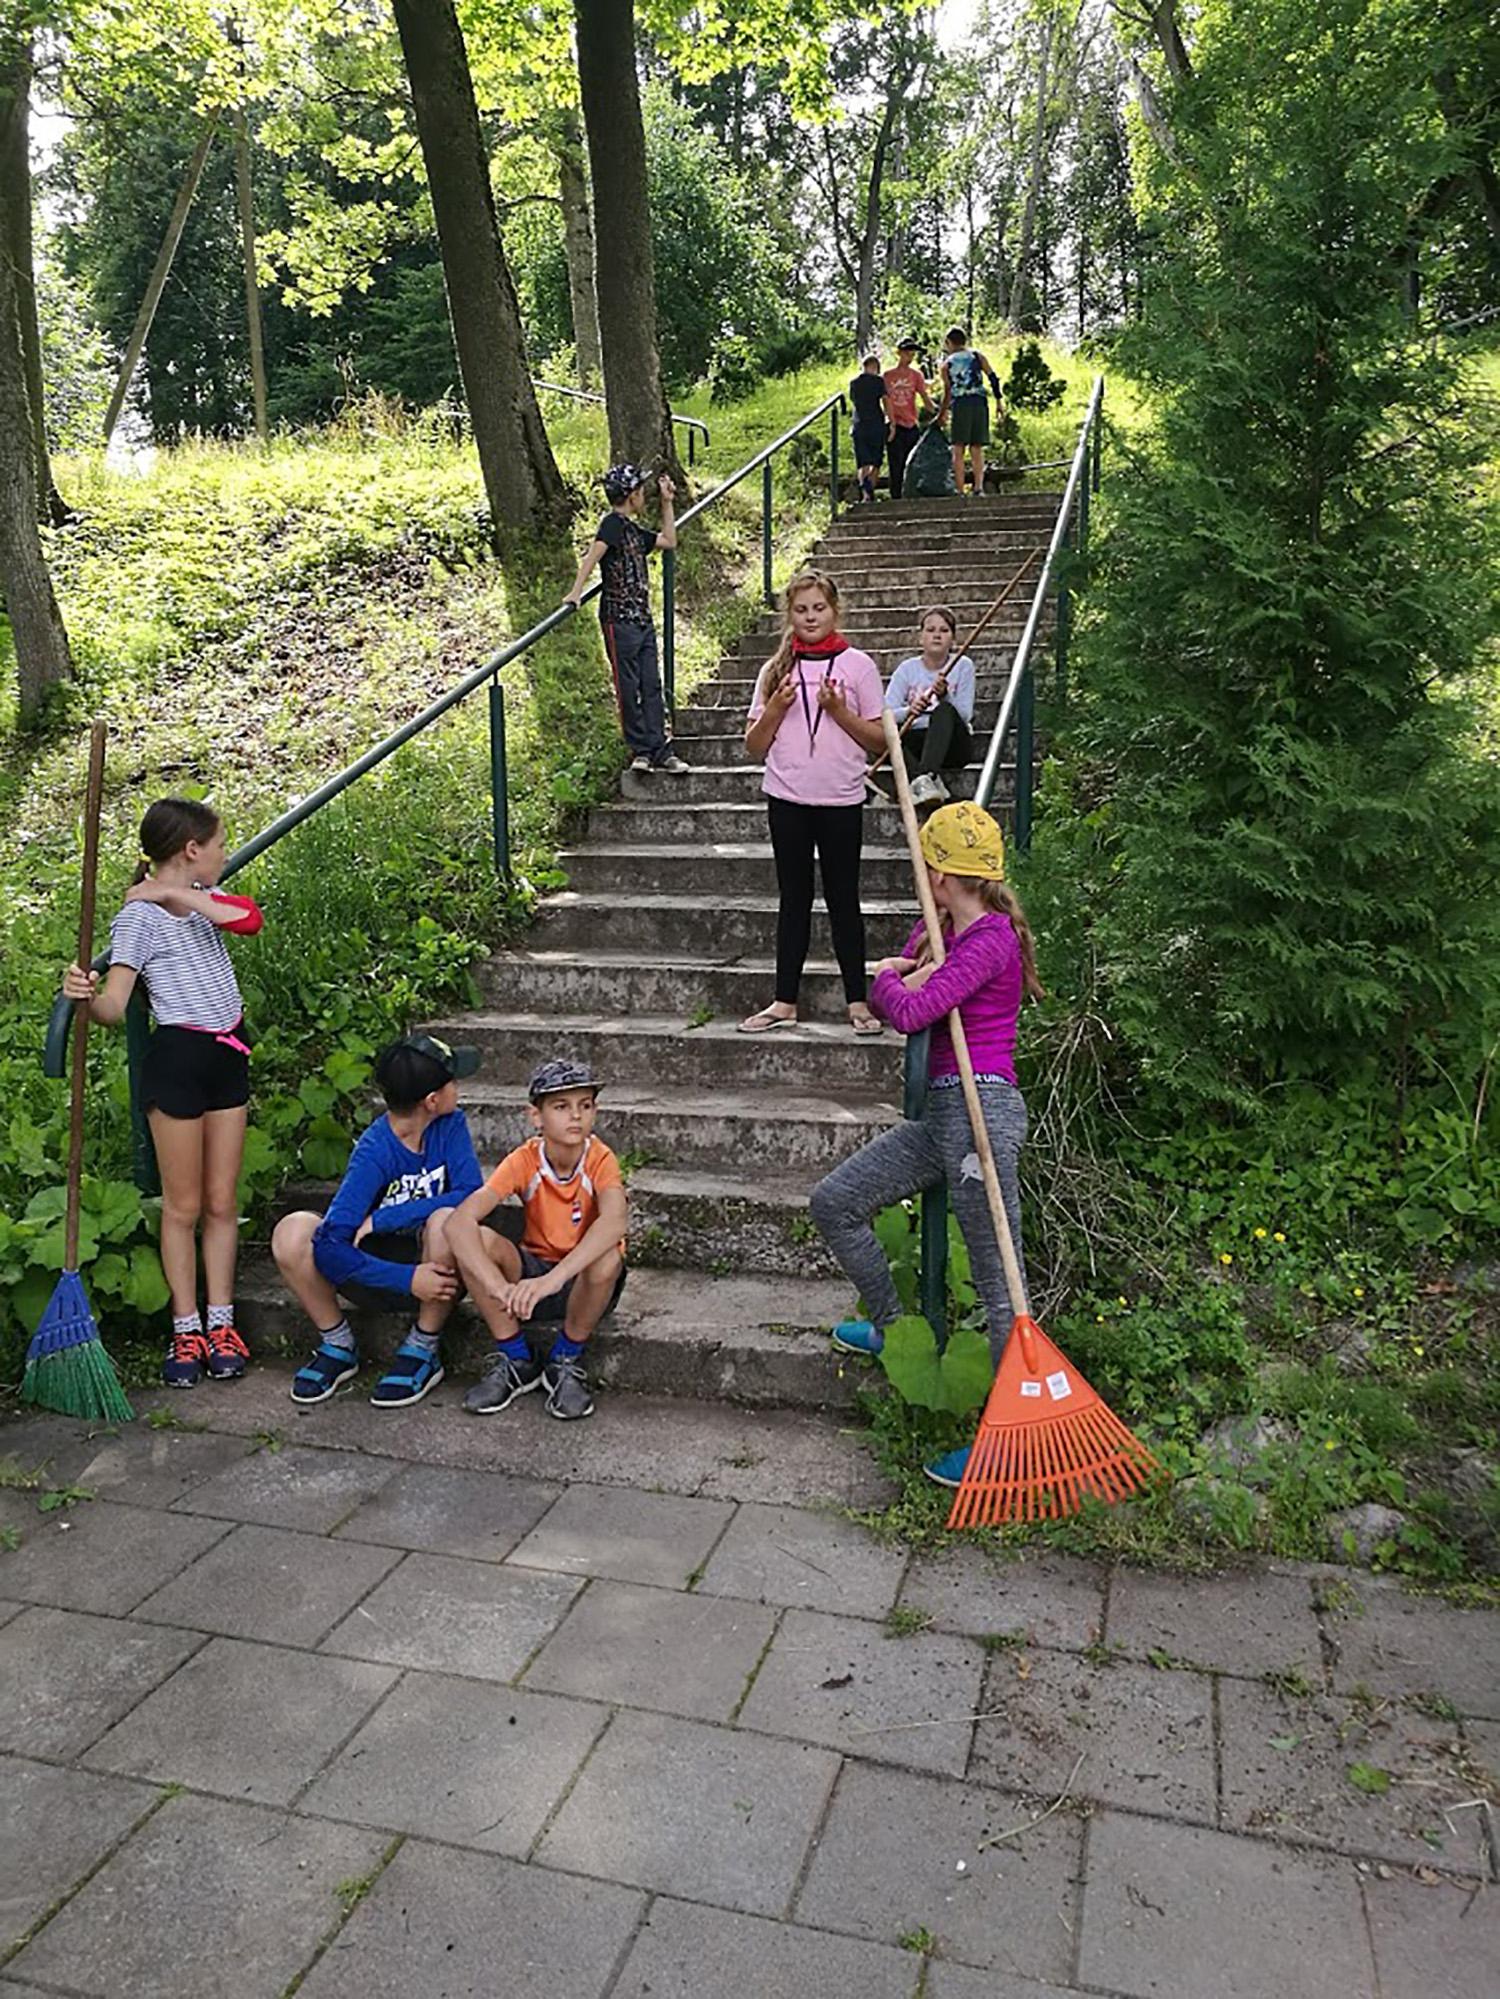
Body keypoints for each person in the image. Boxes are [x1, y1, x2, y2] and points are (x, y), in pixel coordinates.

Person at [808, 801, 1044, 1488]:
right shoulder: (943, 932)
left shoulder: (991, 939)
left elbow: (906, 1006)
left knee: (1001, 1283)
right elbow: (904, 994)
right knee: (837, 1201)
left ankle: (1007, 1444)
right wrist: (904, 970)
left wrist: (888, 977)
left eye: (925, 872)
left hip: (984, 1116)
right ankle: (889, 1323)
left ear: (938, 873)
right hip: (943, 1113)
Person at [61, 797, 263, 1390]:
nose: (226, 852)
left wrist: (174, 894)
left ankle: (222, 1323)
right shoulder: (137, 920)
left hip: (229, 1056)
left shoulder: (204, 904)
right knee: (185, 1207)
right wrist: (82, 998)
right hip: (177, 1061)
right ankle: (186, 1326)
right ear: (191, 849)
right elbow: (114, 1007)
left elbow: (248, 919)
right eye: (219, 843)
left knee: (223, 1201)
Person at [275, 1033, 484, 1408]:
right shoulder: (374, 1151)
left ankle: (423, 1347)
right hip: (373, 1271)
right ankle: (338, 1345)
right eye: (452, 1080)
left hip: (439, 1271)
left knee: (446, 1219)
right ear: (432, 1101)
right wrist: (408, 1279)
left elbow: (472, 1192)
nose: (458, 1088)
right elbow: (330, 1247)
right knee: (291, 1232)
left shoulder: (450, 1125)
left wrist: (386, 1217)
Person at [738, 571, 887, 1038]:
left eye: (818, 609)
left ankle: (857, 1002)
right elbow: (754, 746)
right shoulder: (774, 670)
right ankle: (785, 1001)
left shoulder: (859, 666)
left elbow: (883, 741)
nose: (810, 617)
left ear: (834, 611)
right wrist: (778, 708)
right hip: (787, 798)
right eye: (801, 610)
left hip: (842, 798)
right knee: (793, 899)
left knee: (844, 899)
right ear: (790, 614)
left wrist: (839, 712)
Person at [447, 1059, 627, 1423]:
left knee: (607, 1256)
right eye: (561, 1106)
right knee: (475, 1240)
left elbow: (615, 1221)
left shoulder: (600, 1159)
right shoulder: (524, 1160)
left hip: (582, 1281)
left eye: (585, 1105)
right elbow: (458, 1222)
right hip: (530, 1278)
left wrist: (554, 1279)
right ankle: (516, 1358)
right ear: (536, 1116)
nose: (575, 1117)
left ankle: (565, 1358)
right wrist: (498, 1287)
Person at [563, 464, 690, 775]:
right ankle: (642, 750)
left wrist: (667, 502)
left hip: (642, 621)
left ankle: (661, 748)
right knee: (628, 684)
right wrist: (576, 592)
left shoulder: (634, 531)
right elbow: (592, 556)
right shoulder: (611, 525)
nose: (644, 495)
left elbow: (669, 541)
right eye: (641, 491)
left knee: (651, 684)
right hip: (618, 621)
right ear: (631, 495)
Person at [885, 605, 977, 806]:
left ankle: (923, 777)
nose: (937, 635)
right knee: (881, 733)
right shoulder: (906, 670)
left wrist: (945, 697)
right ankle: (927, 781)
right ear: (921, 637)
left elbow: (965, 715)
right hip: (917, 741)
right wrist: (910, 710)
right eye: (930, 630)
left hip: (952, 744)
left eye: (944, 631)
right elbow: (885, 714)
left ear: (953, 639)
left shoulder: (963, 666)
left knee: (942, 710)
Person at [938, 327, 1004, 497]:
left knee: (958, 448)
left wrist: (942, 412)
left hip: (960, 404)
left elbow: (948, 391)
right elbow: (993, 377)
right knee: (977, 447)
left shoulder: (947, 364)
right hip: (979, 403)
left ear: (949, 342)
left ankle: (960, 489)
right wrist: (998, 401)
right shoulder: (977, 356)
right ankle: (978, 487)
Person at [883, 338, 935, 500]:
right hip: (894, 425)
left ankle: (912, 495)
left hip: (911, 424)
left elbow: (925, 397)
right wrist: (889, 421)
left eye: (912, 353)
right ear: (899, 353)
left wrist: (937, 412)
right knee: (895, 465)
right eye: (907, 353)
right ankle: (896, 497)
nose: (910, 356)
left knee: (912, 464)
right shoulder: (887, 376)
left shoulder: (916, 376)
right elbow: (884, 400)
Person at [848, 353, 889, 503]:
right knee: (876, 461)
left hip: (859, 425)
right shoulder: (878, 382)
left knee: (863, 462)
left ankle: (866, 493)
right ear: (875, 367)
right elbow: (886, 401)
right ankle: (869, 488)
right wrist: (891, 420)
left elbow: (854, 401)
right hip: (876, 425)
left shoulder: (854, 383)